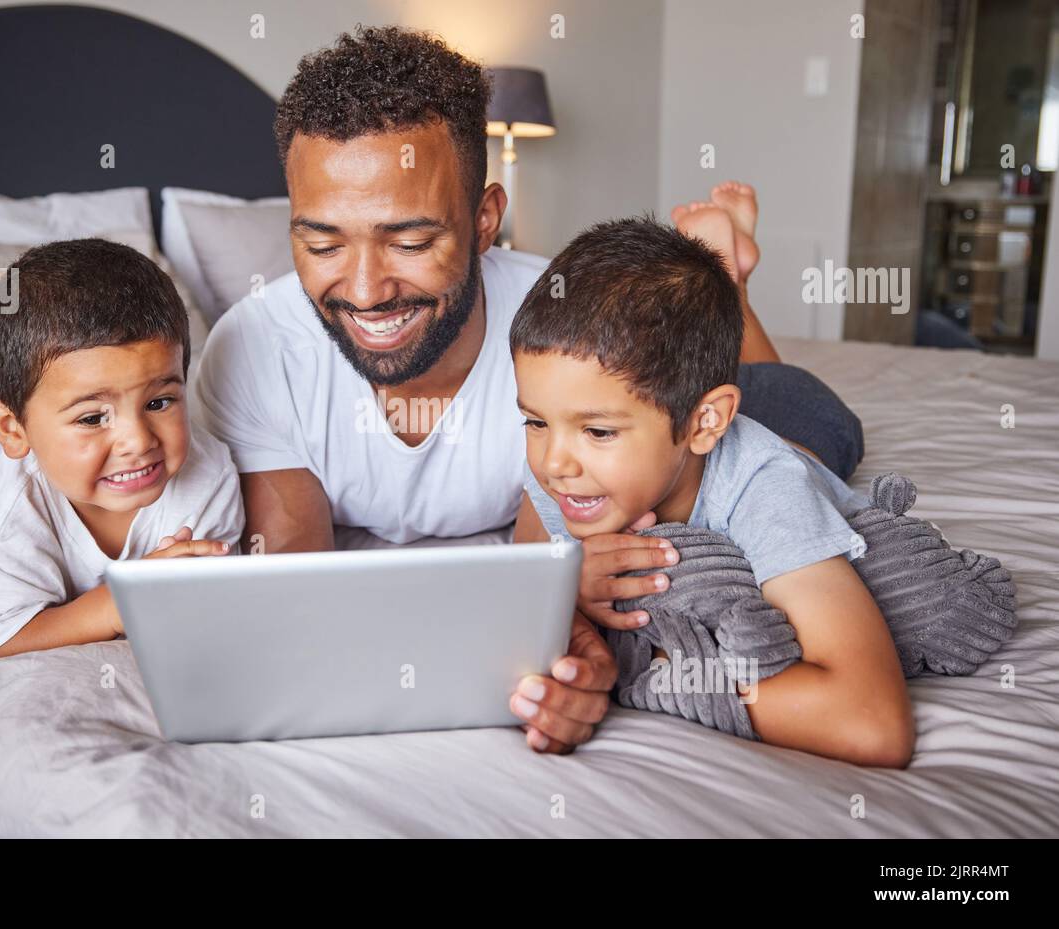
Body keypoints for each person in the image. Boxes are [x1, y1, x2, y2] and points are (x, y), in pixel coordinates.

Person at [196, 25, 864, 753]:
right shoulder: (251, 348)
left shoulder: (556, 331)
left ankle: (728, 284)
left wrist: (568, 625)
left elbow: (545, 559)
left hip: (769, 405)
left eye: (411, 242)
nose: (364, 291)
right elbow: (299, 588)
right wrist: (571, 648)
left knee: (788, 440)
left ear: (486, 220)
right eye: (323, 244)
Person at [510, 216, 913, 767]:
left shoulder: (768, 487)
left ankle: (736, 285)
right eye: (534, 422)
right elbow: (518, 591)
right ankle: (730, 278)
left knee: (778, 382)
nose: (552, 464)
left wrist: (650, 670)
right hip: (701, 412)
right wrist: (568, 598)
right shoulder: (562, 463)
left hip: (802, 419)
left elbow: (872, 725)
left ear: (707, 422)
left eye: (598, 431)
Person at [0, 239, 243, 664]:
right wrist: (117, 604)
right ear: (10, 428)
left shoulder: (209, 475)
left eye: (158, 402)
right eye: (93, 418)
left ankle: (12, 304)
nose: (138, 442)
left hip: (42, 414)